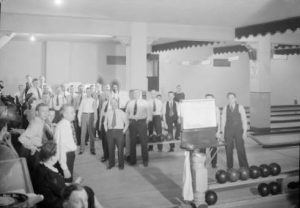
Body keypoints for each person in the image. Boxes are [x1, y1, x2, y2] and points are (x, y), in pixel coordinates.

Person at [19, 103, 52, 178]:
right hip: (35, 154)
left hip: (38, 151)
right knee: (35, 175)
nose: (46, 113)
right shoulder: (36, 124)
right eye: (43, 111)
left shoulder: (40, 121)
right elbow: (22, 139)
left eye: (47, 111)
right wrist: (32, 147)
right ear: (37, 112)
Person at [221, 92, 249, 169]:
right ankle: (230, 167)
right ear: (227, 99)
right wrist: (223, 133)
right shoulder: (225, 108)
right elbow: (223, 121)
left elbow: (244, 120)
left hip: (238, 130)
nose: (231, 99)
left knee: (240, 148)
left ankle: (244, 166)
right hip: (228, 131)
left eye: (232, 98)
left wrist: (245, 132)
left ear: (235, 99)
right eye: (229, 98)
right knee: (228, 150)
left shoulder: (240, 107)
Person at [126, 89, 151, 166]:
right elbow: (127, 113)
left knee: (144, 142)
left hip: (142, 122)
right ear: (133, 94)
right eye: (134, 93)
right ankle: (133, 160)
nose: (135, 94)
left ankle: (145, 160)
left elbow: (149, 114)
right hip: (132, 122)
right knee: (132, 142)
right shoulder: (130, 103)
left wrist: (145, 123)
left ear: (140, 94)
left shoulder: (145, 102)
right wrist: (128, 122)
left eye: (137, 93)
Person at [54, 105, 77, 182]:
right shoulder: (63, 126)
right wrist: (64, 168)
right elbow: (61, 147)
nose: (74, 114)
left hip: (69, 154)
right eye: (72, 112)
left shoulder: (67, 123)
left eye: (74, 112)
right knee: (67, 180)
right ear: (64, 114)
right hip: (66, 156)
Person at [104, 99, 129, 170]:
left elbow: (127, 123)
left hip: (119, 132)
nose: (113, 104)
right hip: (110, 132)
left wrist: (123, 131)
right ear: (111, 104)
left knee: (120, 149)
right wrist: (106, 130)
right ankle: (111, 164)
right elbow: (105, 123)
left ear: (117, 104)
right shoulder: (108, 113)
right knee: (110, 149)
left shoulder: (122, 113)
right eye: (112, 103)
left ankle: (121, 165)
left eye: (115, 103)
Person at [199, 94, 221, 169]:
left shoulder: (216, 109)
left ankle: (214, 163)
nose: (209, 100)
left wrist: (218, 131)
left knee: (213, 147)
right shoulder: (202, 109)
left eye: (210, 99)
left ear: (213, 100)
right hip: (205, 130)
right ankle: (203, 163)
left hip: (213, 130)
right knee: (202, 148)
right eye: (207, 99)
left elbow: (218, 121)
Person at [78, 87, 97, 155]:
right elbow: (80, 110)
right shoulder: (83, 100)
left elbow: (95, 111)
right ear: (86, 92)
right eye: (87, 91)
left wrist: (95, 120)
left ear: (91, 92)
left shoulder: (93, 100)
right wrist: (79, 120)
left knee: (91, 134)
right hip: (84, 115)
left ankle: (92, 149)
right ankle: (81, 149)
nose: (88, 93)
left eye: (89, 91)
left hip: (91, 116)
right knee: (83, 133)